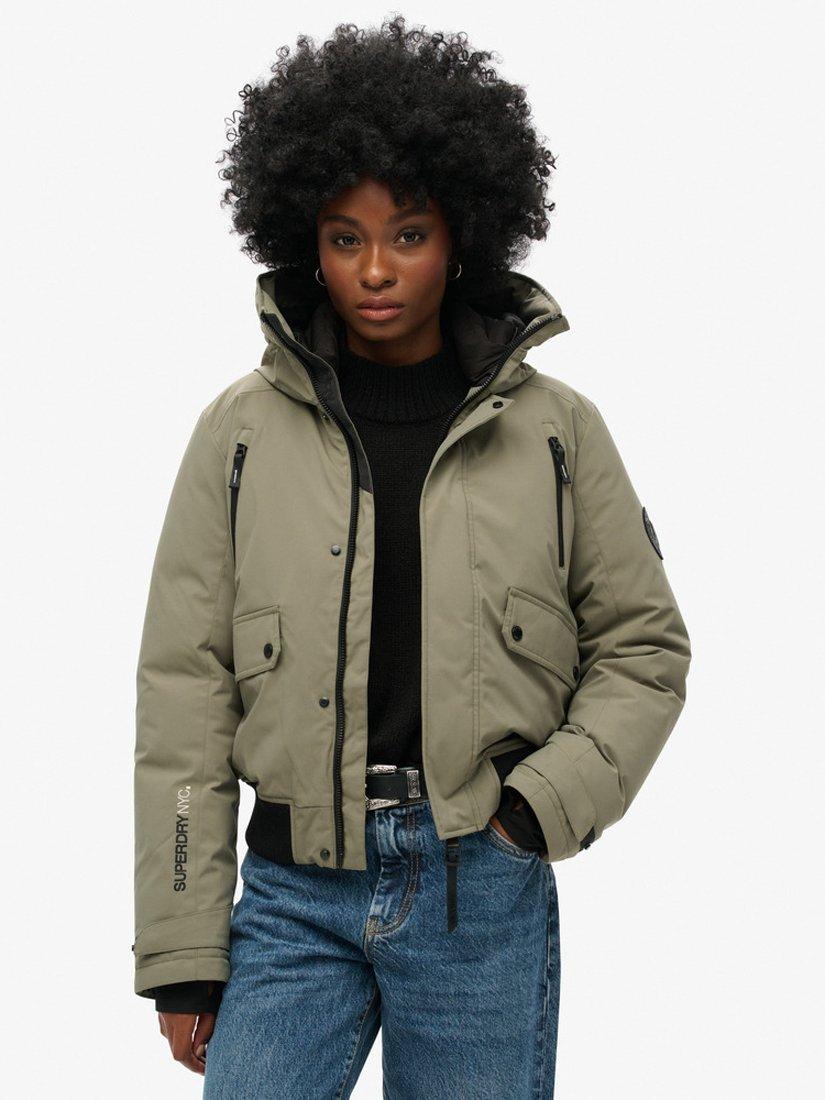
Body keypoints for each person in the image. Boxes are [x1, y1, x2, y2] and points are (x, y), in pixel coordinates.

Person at [132, 15, 691, 1097]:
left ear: (463, 235)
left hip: (480, 887)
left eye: (410, 233)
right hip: (292, 894)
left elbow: (644, 647)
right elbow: (184, 689)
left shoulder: (557, 431)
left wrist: (537, 807)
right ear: (307, 242)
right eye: (345, 238)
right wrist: (184, 946)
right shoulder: (238, 434)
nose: (377, 269)